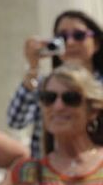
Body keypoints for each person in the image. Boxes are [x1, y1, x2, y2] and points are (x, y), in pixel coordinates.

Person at [7, 10, 103, 158]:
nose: (70, 43)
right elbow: (16, 120)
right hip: (50, 176)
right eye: (62, 38)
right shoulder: (46, 84)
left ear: (96, 43)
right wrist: (33, 68)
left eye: (79, 36)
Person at [12, 64, 103, 185]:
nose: (58, 106)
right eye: (49, 98)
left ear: (92, 111)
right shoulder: (29, 171)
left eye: (71, 98)